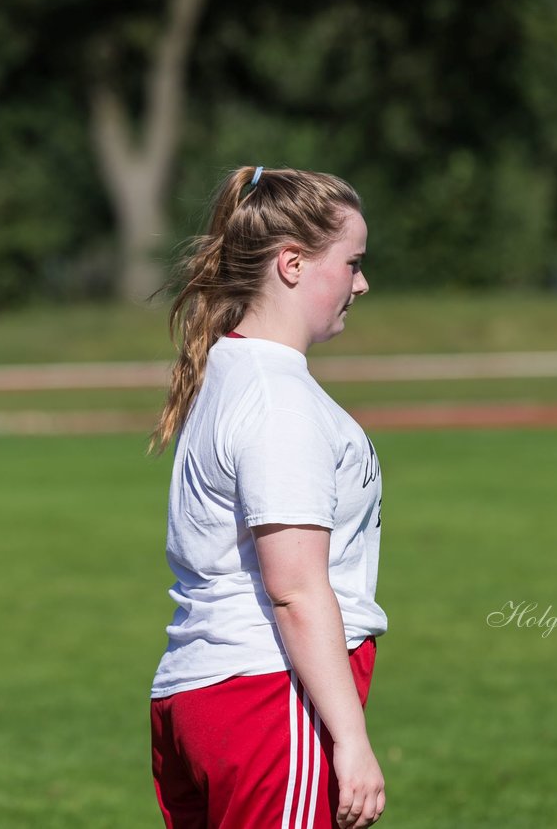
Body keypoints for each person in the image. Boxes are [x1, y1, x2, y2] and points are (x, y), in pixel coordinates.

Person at [148, 166, 387, 828]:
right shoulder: (278, 400)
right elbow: (295, 589)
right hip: (266, 699)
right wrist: (352, 740)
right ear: (291, 264)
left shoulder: (229, 371)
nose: (361, 283)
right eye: (353, 263)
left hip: (204, 697)